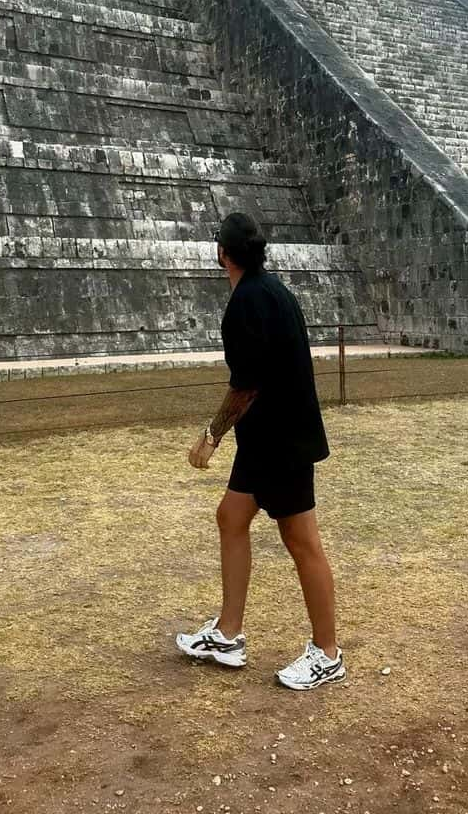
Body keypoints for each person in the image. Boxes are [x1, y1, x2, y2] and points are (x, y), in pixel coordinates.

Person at [175, 212, 344, 691]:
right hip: (267, 439)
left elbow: (246, 387)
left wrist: (209, 437)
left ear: (222, 253)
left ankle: (327, 653)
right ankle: (228, 634)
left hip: (282, 441)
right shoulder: (273, 291)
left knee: (301, 540)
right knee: (231, 516)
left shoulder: (247, 302)